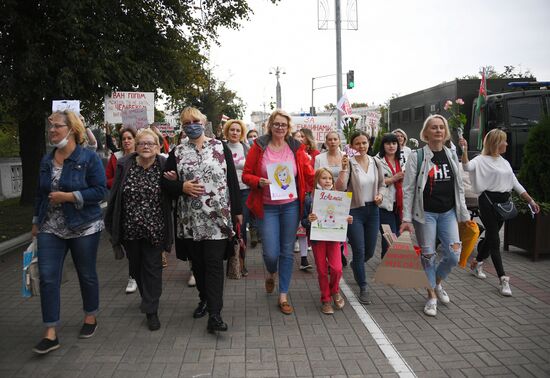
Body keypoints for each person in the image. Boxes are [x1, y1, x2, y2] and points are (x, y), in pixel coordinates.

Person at [31, 110, 107, 354]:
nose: (52, 131)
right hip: (50, 227)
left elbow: (100, 192)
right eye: (50, 127)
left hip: (83, 226)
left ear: (72, 129)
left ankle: (90, 317)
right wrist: (35, 220)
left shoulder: (88, 158)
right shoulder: (46, 160)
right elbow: (40, 193)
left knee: (86, 274)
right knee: (47, 276)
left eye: (57, 126)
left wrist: (70, 196)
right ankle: (51, 332)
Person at [162, 107, 242, 332]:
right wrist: (180, 186)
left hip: (217, 219)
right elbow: (166, 183)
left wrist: (238, 210)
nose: (191, 125)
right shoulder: (176, 152)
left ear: (204, 122)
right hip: (190, 221)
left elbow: (231, 180)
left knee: (214, 264)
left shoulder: (219, 146)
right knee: (197, 265)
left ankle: (215, 314)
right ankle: (204, 299)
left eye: (195, 121)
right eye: (186, 122)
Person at [243, 109, 315, 315]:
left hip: (291, 206)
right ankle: (271, 271)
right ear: (270, 126)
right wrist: (259, 181)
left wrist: (324, 183)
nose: (280, 127)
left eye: (284, 124)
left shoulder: (296, 147)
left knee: (286, 251)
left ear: (288, 127)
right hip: (267, 206)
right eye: (277, 124)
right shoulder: (259, 146)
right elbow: (246, 175)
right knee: (270, 253)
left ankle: (283, 294)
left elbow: (308, 175)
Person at [400, 115, 469, 317]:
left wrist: (463, 214)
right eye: (434, 128)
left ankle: (436, 283)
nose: (438, 131)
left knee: (454, 255)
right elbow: (408, 189)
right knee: (428, 256)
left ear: (445, 132)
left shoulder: (451, 154)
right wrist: (406, 219)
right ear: (426, 132)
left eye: (441, 127)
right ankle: (431, 296)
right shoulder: (418, 156)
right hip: (425, 215)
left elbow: (460, 188)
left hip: (448, 213)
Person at [105, 129, 173, 331]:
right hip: (130, 229)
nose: (146, 147)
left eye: (151, 143)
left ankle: (151, 310)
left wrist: (175, 182)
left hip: (155, 229)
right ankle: (147, 298)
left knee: (152, 268)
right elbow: (115, 194)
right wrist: (110, 222)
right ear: (135, 146)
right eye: (142, 143)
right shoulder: (124, 165)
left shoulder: (164, 165)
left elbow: (174, 191)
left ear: (158, 147)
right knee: (135, 268)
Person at [459, 129, 540, 296]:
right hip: (487, 202)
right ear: (496, 142)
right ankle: (503, 279)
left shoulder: (504, 162)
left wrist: (530, 200)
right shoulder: (480, 160)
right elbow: (466, 166)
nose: (507, 144)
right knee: (495, 240)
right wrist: (464, 150)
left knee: (490, 237)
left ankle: (477, 262)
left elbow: (515, 183)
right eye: (504, 141)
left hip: (503, 203)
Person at [335, 131, 385, 305]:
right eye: (357, 143)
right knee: (359, 250)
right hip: (354, 210)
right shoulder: (349, 163)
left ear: (369, 144)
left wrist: (380, 195)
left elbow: (382, 185)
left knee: (369, 251)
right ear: (351, 146)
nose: (361, 146)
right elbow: (339, 188)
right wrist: (342, 169)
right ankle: (363, 286)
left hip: (373, 210)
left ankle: (357, 264)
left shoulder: (376, 161)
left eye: (364, 143)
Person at [302, 168, 353, 314]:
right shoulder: (309, 198)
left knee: (337, 269)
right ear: (317, 180)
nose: (327, 181)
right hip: (318, 239)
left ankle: (335, 290)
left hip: (333, 238)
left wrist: (348, 219)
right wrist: (309, 220)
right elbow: (303, 221)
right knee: (322, 270)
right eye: (324, 178)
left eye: (330, 178)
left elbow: (343, 217)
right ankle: (325, 299)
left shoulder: (339, 197)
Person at [104, 126, 139, 294]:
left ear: (135, 140)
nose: (126, 141)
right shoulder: (116, 157)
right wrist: (120, 183)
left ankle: (141, 274)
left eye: (129, 138)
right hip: (121, 205)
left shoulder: (142, 156)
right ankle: (133, 276)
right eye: (123, 138)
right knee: (129, 242)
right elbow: (108, 179)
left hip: (141, 208)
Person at [315, 131, 349, 266]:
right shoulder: (319, 158)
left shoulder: (346, 157)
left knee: (340, 224)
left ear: (339, 141)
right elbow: (316, 177)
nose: (333, 142)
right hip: (324, 196)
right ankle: (329, 258)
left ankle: (339, 249)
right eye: (330, 139)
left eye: (335, 139)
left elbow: (349, 177)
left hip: (341, 195)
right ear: (326, 142)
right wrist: (323, 193)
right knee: (327, 224)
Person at [223, 119, 251, 276]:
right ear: (227, 131)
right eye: (232, 130)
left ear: (242, 133)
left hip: (244, 191)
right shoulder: (221, 148)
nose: (235, 132)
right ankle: (230, 259)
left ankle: (241, 261)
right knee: (228, 226)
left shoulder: (247, 148)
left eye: (238, 130)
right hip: (225, 192)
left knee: (241, 225)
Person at [291, 129, 318, 270]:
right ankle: (300, 257)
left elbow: (315, 175)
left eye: (302, 136)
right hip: (291, 194)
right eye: (297, 136)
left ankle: (306, 258)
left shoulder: (315, 155)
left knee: (305, 225)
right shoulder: (288, 154)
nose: (300, 139)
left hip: (308, 194)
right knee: (297, 227)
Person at [375, 133, 404, 258]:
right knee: (391, 236)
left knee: (395, 235)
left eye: (394, 143)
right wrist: (394, 178)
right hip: (384, 206)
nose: (391, 146)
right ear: (383, 146)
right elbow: (375, 182)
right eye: (388, 143)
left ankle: (385, 258)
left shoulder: (402, 160)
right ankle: (388, 261)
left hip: (399, 205)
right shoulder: (377, 161)